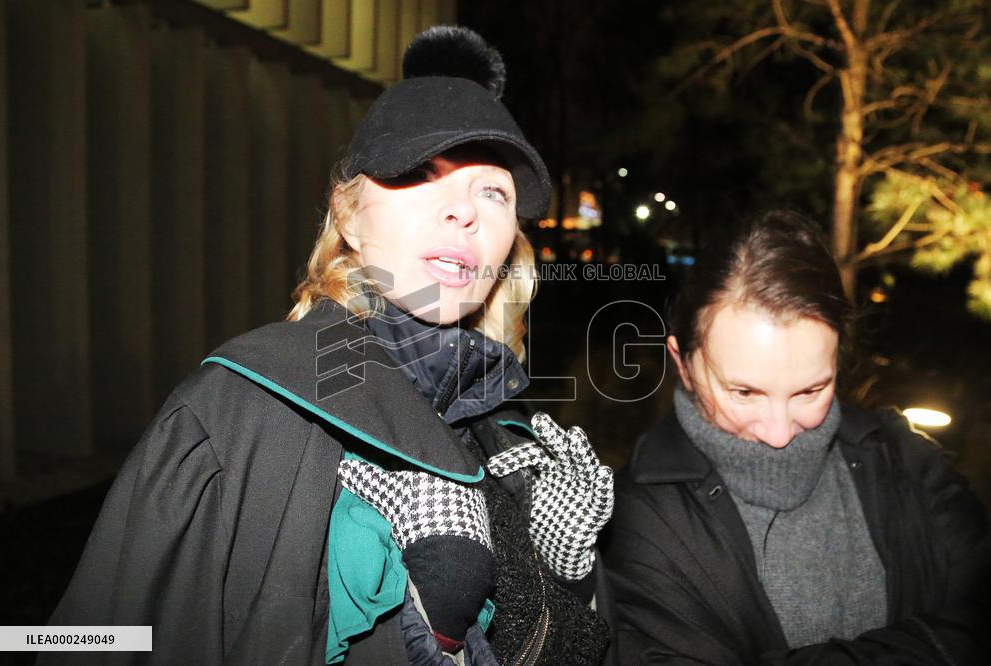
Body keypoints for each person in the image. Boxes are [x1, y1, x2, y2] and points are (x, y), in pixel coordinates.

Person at [43, 26, 613, 665]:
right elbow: (96, 638)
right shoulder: (237, 412)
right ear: (347, 213)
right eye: (421, 173)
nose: (464, 212)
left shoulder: (512, 433)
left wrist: (567, 571)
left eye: (493, 191)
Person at [603, 209, 990, 664]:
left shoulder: (903, 456)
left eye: (811, 390)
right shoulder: (633, 519)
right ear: (683, 362)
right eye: (744, 392)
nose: (780, 433)